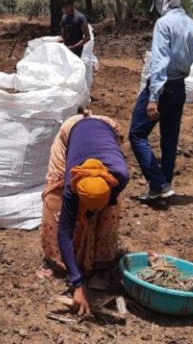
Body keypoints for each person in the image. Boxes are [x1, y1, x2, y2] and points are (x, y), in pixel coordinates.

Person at [129, 0, 193, 205]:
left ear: (162, 1)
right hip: (179, 90)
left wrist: (153, 97)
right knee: (169, 141)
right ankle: (160, 194)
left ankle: (159, 184)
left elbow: (159, 61)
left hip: (163, 87)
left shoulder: (163, 24)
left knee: (137, 135)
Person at [41, 109, 129, 317]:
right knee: (55, 200)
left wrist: (92, 212)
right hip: (71, 132)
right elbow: (65, 232)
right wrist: (77, 285)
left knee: (109, 214)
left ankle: (101, 265)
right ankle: (57, 263)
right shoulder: (73, 185)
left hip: (107, 126)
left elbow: (106, 203)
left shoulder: (120, 175)